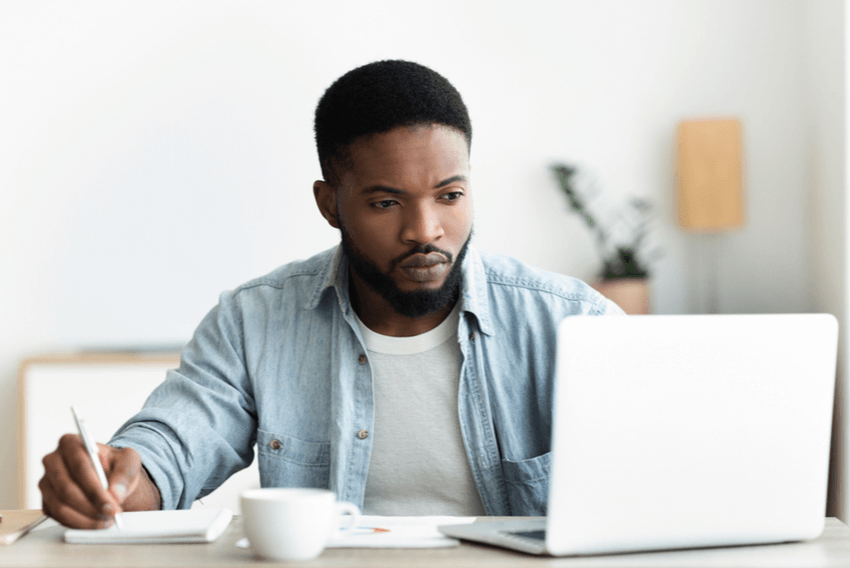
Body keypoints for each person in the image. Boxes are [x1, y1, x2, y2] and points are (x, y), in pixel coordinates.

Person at [39, 60, 624, 529]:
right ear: (330, 205)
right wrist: (112, 482)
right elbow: (172, 448)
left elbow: (653, 477)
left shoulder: (576, 324)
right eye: (386, 203)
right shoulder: (254, 321)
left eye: (450, 196)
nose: (425, 230)